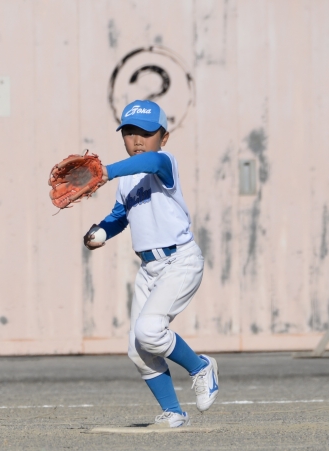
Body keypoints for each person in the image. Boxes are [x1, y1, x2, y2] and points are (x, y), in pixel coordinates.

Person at [84, 100, 219, 428]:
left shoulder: (164, 162)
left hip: (180, 260)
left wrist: (106, 171)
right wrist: (100, 232)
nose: (137, 140)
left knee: (149, 331)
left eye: (146, 133)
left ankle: (201, 367)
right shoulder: (126, 181)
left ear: (164, 137)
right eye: (130, 132)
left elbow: (151, 160)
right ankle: (174, 413)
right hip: (149, 269)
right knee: (138, 348)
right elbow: (120, 216)